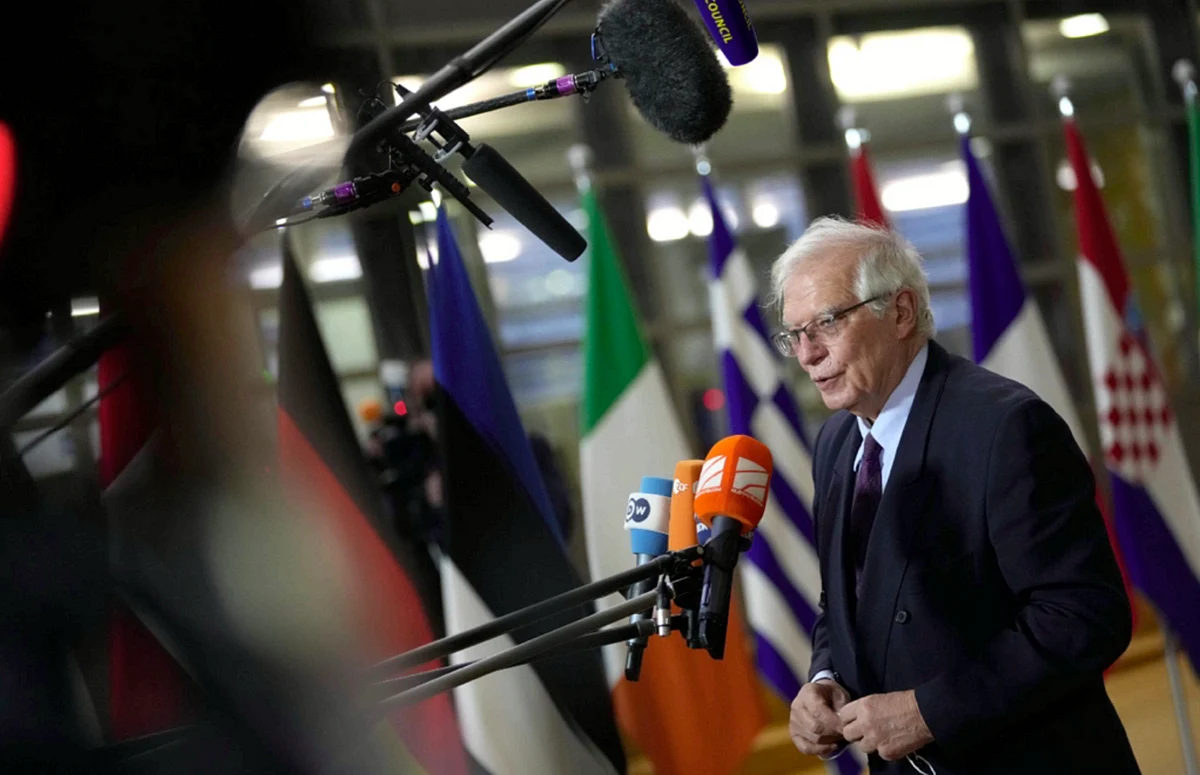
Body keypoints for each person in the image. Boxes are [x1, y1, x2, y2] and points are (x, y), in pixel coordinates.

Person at [775, 218, 1138, 774]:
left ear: (900, 312)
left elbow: (1084, 616)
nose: (807, 354)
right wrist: (825, 678)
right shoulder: (835, 442)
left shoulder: (1005, 426)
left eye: (826, 322)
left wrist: (929, 712)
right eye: (794, 334)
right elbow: (850, 602)